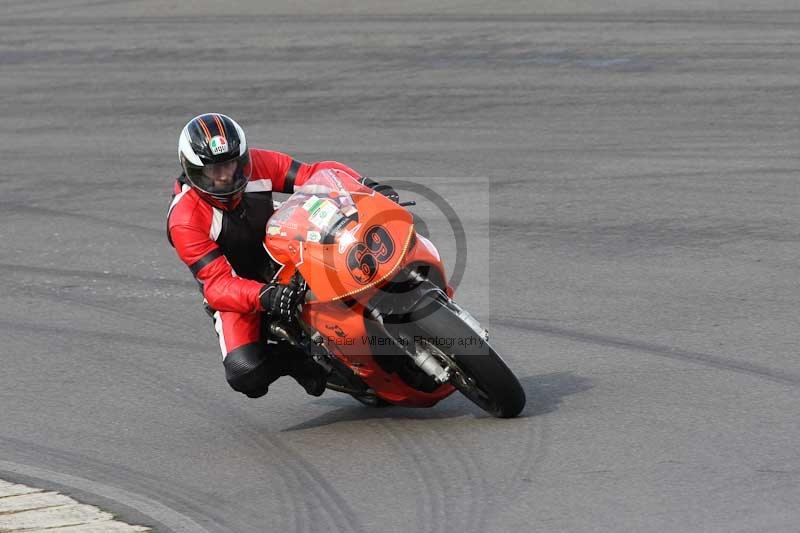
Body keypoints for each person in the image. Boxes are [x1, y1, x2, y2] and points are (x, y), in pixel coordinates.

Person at [167, 113, 398, 399]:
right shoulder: (185, 219)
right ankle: (294, 359)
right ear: (192, 170)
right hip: (239, 286)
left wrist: (366, 186)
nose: (226, 176)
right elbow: (216, 284)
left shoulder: (256, 165)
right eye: (213, 171)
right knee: (245, 373)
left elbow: (314, 174)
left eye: (231, 164)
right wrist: (266, 296)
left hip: (284, 248)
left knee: (353, 239)